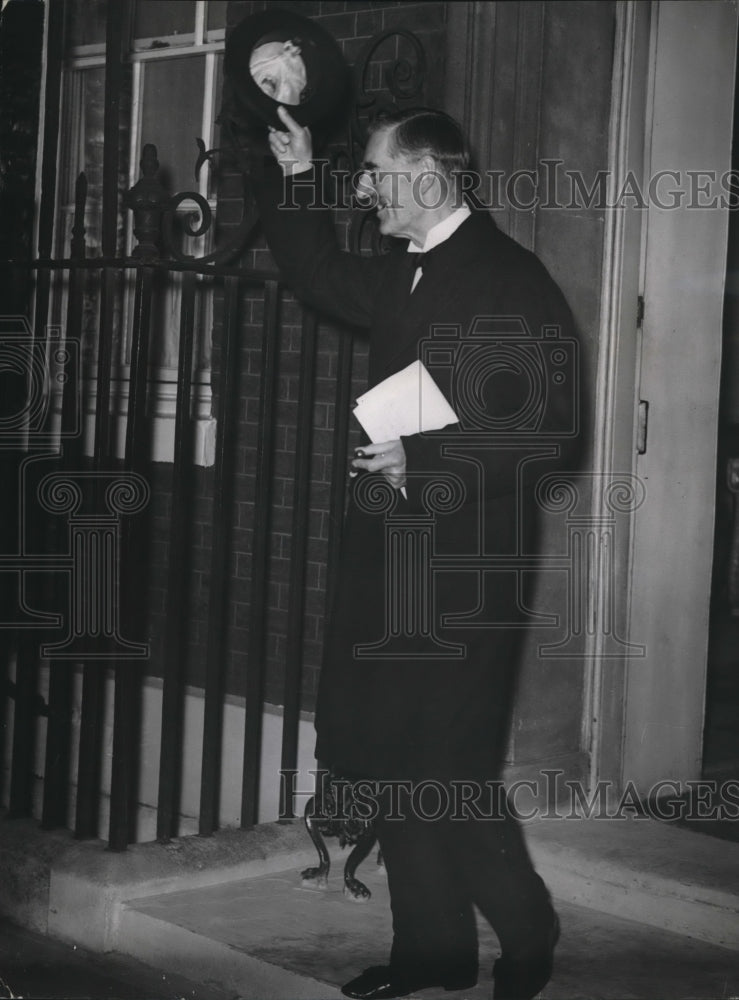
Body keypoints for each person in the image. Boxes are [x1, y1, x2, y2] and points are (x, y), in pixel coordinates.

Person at [255, 104, 579, 1000]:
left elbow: (552, 427)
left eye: (374, 174)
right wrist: (296, 175)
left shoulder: (511, 278)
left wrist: (426, 457)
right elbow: (318, 272)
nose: (363, 189)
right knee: (397, 754)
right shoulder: (407, 270)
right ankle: (429, 956)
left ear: (428, 178)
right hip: (394, 561)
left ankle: (525, 924)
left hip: (467, 569)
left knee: (443, 767)